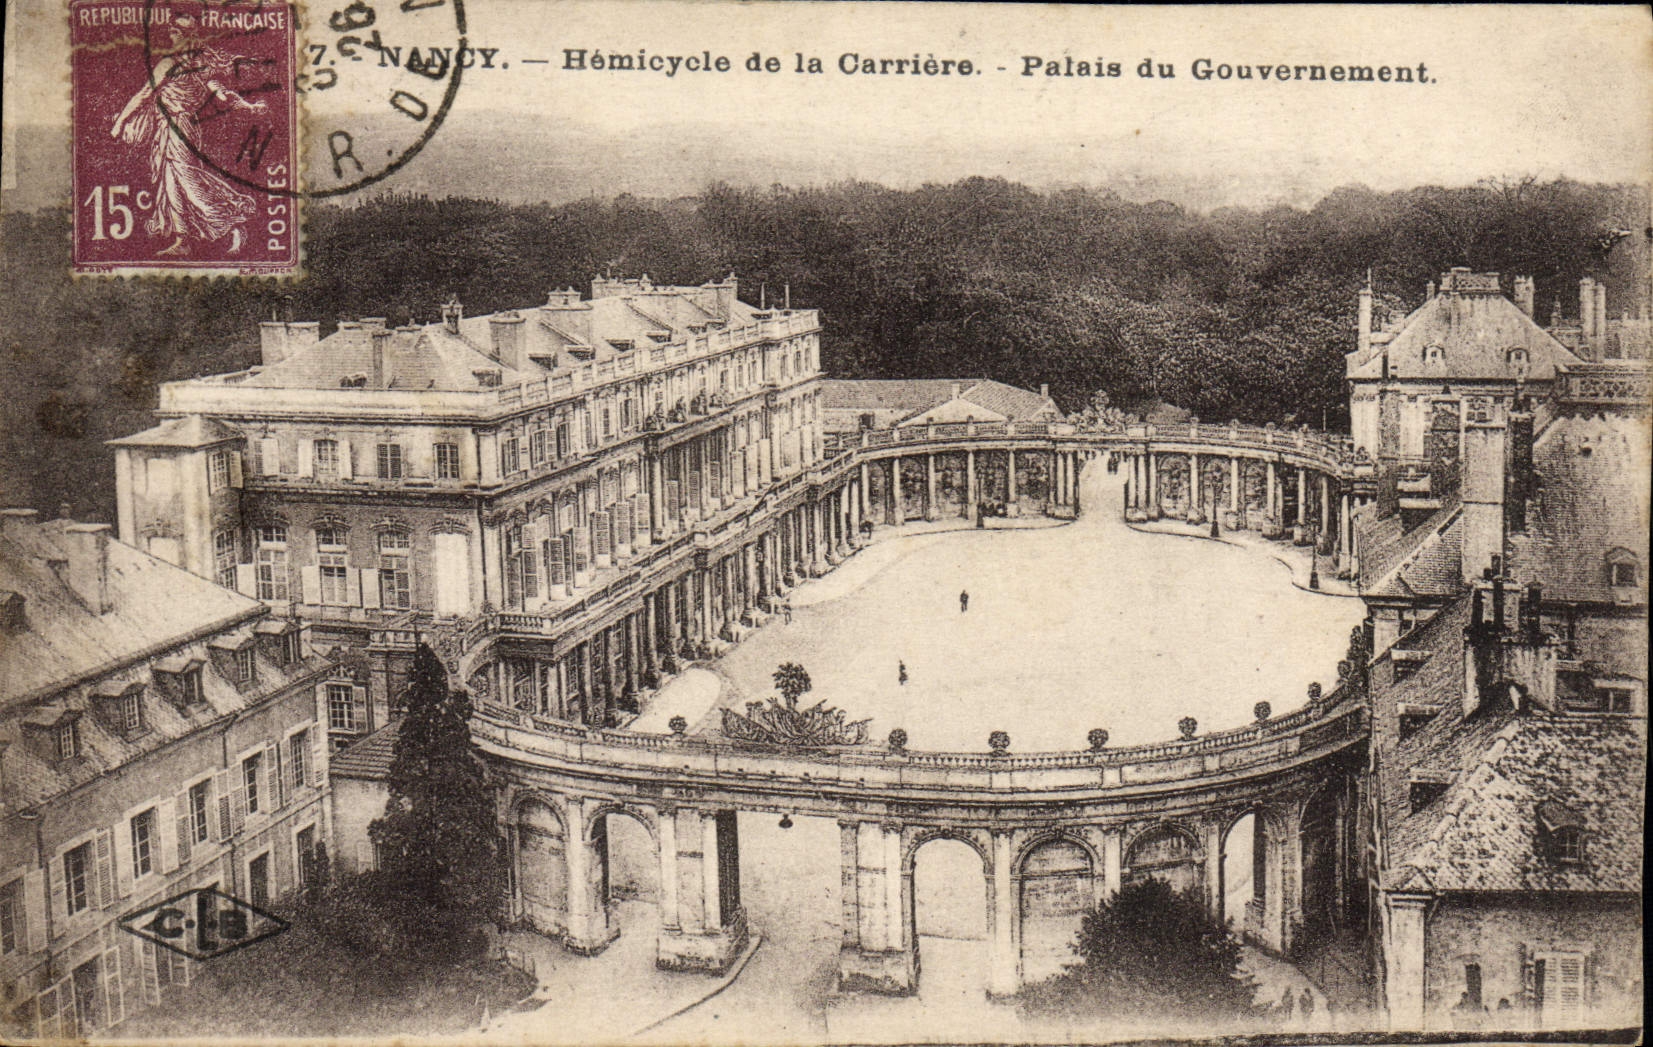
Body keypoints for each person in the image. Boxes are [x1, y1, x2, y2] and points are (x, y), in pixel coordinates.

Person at [109, 16, 264, 256]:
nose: (171, 34)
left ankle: (230, 222)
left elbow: (144, 94)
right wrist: (248, 106)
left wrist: (120, 122)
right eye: (171, 30)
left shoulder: (169, 64)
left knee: (187, 180)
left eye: (175, 31)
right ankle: (183, 241)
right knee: (172, 182)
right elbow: (223, 95)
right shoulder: (202, 65)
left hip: (178, 127)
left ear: (184, 36)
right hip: (179, 127)